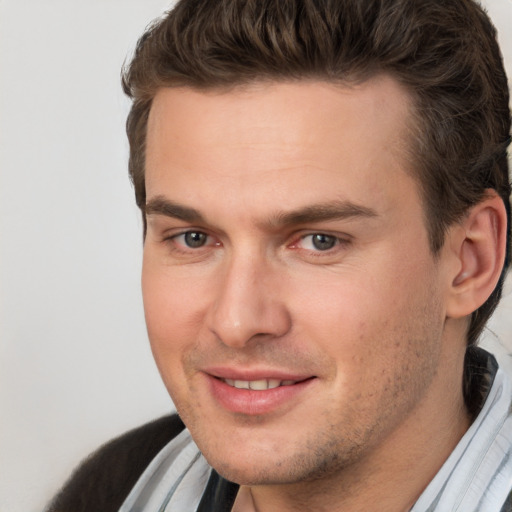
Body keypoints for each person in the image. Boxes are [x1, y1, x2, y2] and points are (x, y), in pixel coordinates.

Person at [47, 0, 512, 511]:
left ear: (471, 260)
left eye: (319, 241)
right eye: (193, 238)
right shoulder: (116, 487)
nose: (237, 321)